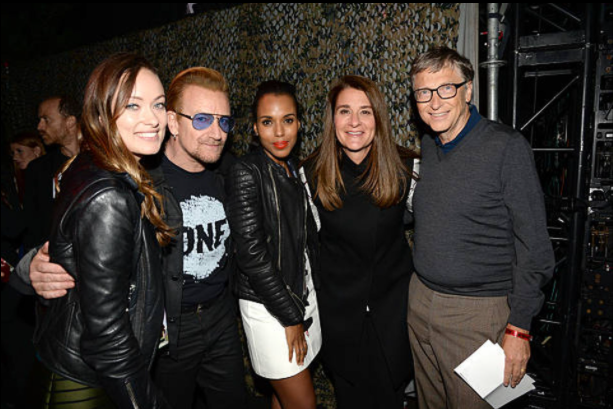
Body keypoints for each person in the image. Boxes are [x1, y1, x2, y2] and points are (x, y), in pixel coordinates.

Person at [408, 46, 555, 409]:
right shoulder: (428, 146)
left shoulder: (506, 147)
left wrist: (519, 327)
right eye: (423, 92)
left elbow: (535, 248)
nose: (434, 102)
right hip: (420, 303)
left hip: (477, 315)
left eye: (446, 88)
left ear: (468, 90)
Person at [29, 53, 173, 408]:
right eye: (133, 105)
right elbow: (107, 336)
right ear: (101, 114)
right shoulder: (109, 195)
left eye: (158, 104)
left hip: (81, 370)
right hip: (85, 384)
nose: (152, 118)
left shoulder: (94, 163)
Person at [305, 75, 418, 409]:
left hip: (394, 317)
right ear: (332, 119)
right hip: (339, 318)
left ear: (378, 118)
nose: (354, 122)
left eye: (365, 112)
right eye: (345, 111)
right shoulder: (309, 174)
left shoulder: (408, 168)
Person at [226, 81, 321, 409]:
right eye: (268, 122)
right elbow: (252, 256)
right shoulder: (245, 171)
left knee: (284, 398)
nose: (279, 132)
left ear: (300, 123)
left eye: (288, 120)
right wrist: (291, 317)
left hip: (300, 295)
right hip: (270, 306)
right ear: (255, 128)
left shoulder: (294, 168)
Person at [23, 95, 80, 249]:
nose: (39, 127)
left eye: (46, 120)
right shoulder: (38, 169)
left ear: (70, 122)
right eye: (39, 120)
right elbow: (32, 225)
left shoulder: (99, 162)